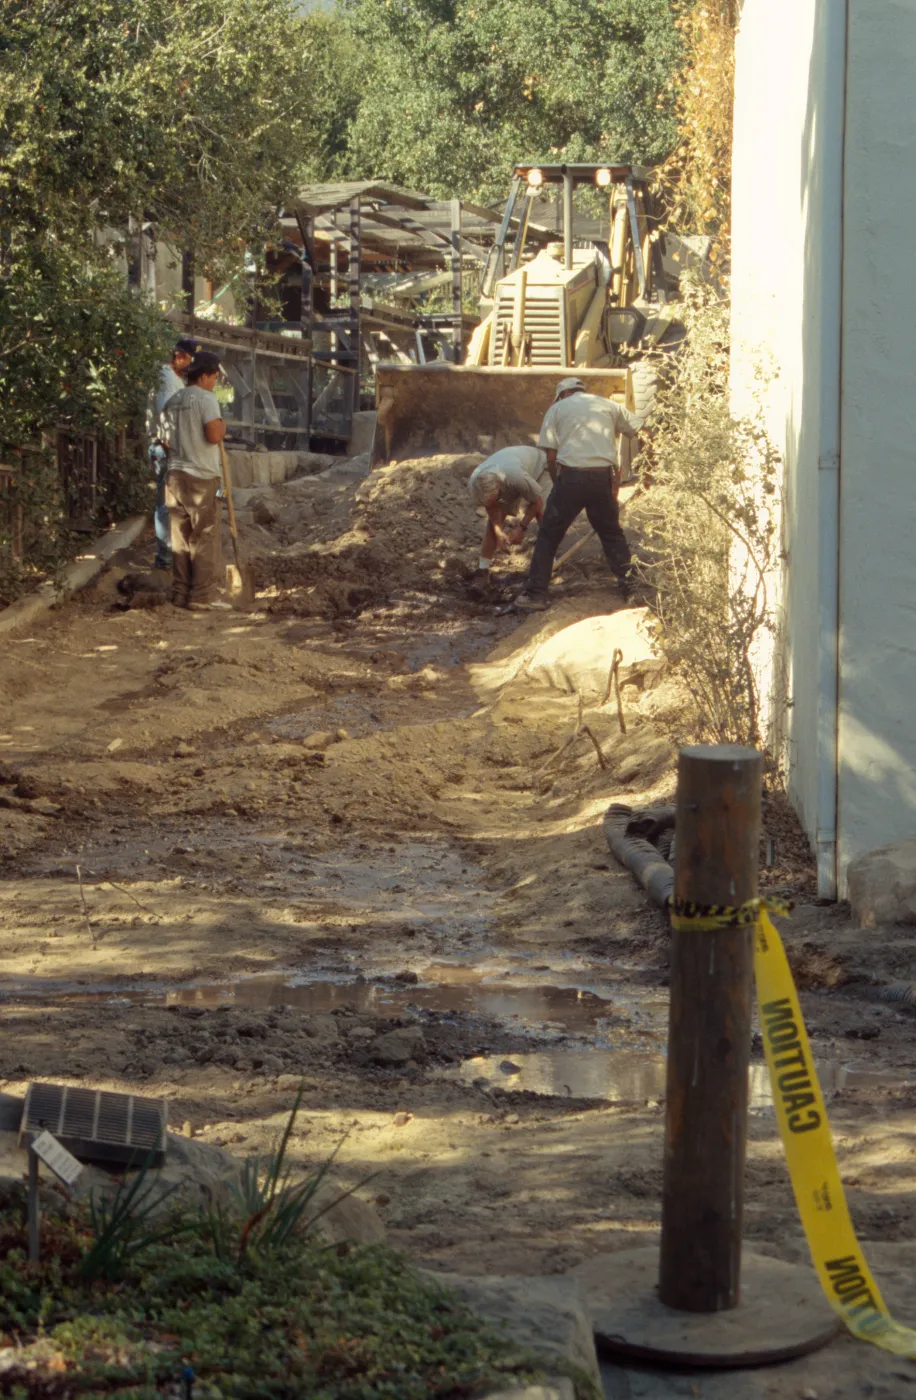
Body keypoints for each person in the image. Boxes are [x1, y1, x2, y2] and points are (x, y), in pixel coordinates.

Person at [515, 377, 642, 611]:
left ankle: (535, 595)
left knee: (549, 535)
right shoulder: (608, 405)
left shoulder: (556, 409)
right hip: (602, 477)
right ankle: (631, 588)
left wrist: (557, 483)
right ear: (581, 391)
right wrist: (652, 466)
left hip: (571, 477)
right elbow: (641, 429)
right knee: (611, 533)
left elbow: (551, 457)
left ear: (562, 395)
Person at [162, 349, 230, 611]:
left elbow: (165, 442)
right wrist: (222, 427)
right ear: (204, 376)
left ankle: (180, 593)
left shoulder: (174, 400)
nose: (215, 382)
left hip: (175, 477)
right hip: (203, 477)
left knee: (180, 536)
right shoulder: (206, 399)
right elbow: (214, 435)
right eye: (214, 377)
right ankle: (200, 595)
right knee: (204, 534)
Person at [467, 445, 548, 595]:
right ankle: (482, 571)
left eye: (494, 498)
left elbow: (537, 502)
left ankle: (548, 566)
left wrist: (521, 528)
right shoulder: (475, 484)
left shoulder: (516, 477)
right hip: (510, 471)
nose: (491, 503)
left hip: (539, 467)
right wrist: (498, 531)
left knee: (544, 515)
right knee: (491, 525)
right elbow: (491, 507)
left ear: (499, 487)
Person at [149, 337, 200, 569]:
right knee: (164, 503)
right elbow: (166, 417)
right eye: (190, 359)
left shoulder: (177, 379)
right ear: (179, 356)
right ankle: (164, 560)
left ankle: (172, 555)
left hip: (172, 448)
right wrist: (174, 450)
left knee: (172, 503)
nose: (191, 365)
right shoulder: (166, 378)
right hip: (165, 448)